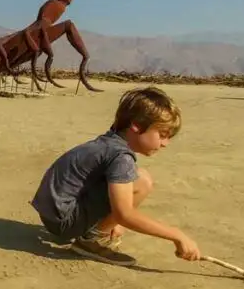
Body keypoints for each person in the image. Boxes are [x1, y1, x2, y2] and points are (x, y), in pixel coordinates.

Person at [29, 86, 201, 267]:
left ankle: (97, 230)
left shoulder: (109, 141)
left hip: (53, 213)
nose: (165, 144)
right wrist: (177, 235)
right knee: (142, 181)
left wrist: (113, 221)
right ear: (136, 126)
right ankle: (91, 241)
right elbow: (125, 215)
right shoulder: (121, 156)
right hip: (64, 222)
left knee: (135, 178)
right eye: (162, 135)